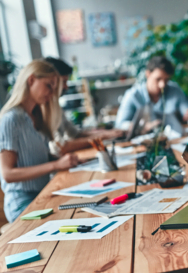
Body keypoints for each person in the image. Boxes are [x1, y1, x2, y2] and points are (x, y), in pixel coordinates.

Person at [0, 60, 79, 223]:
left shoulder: (37, 116)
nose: (51, 93)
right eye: (49, 85)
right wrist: (56, 165)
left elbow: (37, 157)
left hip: (43, 193)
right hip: (22, 203)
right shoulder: (11, 119)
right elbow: (8, 174)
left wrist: (64, 161)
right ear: (31, 80)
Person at [44, 57, 124, 155]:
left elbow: (75, 134)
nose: (66, 87)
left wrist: (107, 133)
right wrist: (102, 136)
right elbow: (61, 147)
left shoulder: (56, 106)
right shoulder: (44, 109)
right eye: (63, 82)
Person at [115, 56, 188, 132]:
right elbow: (120, 124)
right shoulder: (133, 95)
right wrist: (141, 126)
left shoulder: (175, 90)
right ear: (148, 74)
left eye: (166, 80)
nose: (162, 85)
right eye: (158, 79)